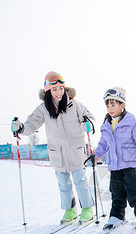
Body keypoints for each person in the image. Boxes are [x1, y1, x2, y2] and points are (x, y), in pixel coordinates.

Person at [11, 71, 95, 224]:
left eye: (61, 88)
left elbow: (89, 118)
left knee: (79, 180)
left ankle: (87, 209)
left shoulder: (74, 104)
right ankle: (70, 211)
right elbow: (31, 125)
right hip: (58, 153)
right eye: (54, 89)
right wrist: (21, 127)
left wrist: (87, 124)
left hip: (75, 150)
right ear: (47, 91)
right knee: (63, 183)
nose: (59, 92)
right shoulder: (43, 108)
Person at [92, 87, 136, 231]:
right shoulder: (106, 125)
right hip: (114, 165)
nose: (110, 108)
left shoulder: (131, 122)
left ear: (122, 105)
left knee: (134, 190)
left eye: (113, 104)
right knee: (116, 192)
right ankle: (117, 216)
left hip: (130, 164)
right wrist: (96, 155)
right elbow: (103, 144)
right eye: (107, 105)